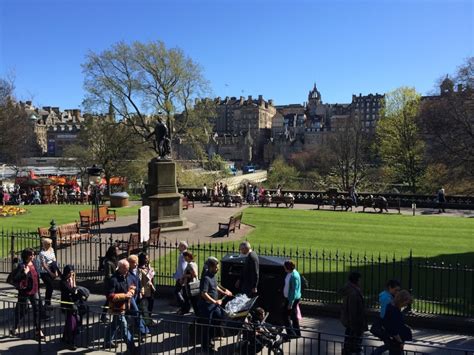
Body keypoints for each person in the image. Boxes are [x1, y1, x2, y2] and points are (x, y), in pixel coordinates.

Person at [198, 257, 233, 353]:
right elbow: (203, 294)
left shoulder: (213, 275)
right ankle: (206, 346)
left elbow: (215, 286)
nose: (218, 269)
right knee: (206, 326)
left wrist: (224, 292)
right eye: (216, 267)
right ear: (211, 267)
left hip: (213, 305)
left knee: (221, 317)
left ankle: (213, 337)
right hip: (207, 306)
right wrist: (215, 301)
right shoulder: (206, 278)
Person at [104, 259, 138, 354]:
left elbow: (132, 285)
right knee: (124, 328)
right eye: (126, 269)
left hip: (125, 306)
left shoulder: (126, 275)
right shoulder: (113, 280)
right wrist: (124, 296)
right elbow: (109, 296)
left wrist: (131, 292)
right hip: (117, 308)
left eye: (128, 269)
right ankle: (132, 349)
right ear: (121, 268)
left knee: (114, 325)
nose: (127, 271)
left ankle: (107, 341)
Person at [10, 248, 45, 339]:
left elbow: (36, 277)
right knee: (21, 310)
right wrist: (24, 273)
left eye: (34, 254)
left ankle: (38, 330)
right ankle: (15, 327)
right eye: (32, 255)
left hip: (34, 291)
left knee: (37, 310)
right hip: (24, 292)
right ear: (27, 256)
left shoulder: (33, 264)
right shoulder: (22, 266)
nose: (33, 256)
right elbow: (16, 278)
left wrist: (38, 289)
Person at [339, 271, 367, 355]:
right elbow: (353, 310)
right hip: (354, 322)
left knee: (349, 339)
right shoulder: (353, 293)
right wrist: (354, 324)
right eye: (359, 280)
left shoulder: (350, 289)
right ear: (357, 280)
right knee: (353, 340)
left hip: (351, 321)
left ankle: (349, 350)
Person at [372, 280, 401, 355]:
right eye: (396, 290)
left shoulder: (388, 296)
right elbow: (385, 315)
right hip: (386, 326)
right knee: (390, 345)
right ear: (390, 288)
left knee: (390, 345)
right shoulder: (387, 299)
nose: (397, 292)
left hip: (386, 325)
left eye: (398, 290)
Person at [382, 290, 413, 355]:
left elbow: (394, 323)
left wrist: (404, 325)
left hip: (395, 338)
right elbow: (393, 328)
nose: (406, 305)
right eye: (406, 303)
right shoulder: (394, 310)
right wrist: (400, 342)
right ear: (401, 300)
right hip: (395, 340)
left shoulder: (392, 306)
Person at [60, 264, 79, 350]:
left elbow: (74, 289)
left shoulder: (70, 280)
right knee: (72, 323)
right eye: (70, 273)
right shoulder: (63, 282)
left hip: (73, 304)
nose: (71, 275)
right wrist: (73, 286)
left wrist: (73, 280)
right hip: (67, 305)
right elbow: (72, 290)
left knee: (70, 322)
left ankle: (65, 337)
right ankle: (72, 342)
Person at [283, 260, 302, 338]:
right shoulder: (291, 273)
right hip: (290, 298)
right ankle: (296, 333)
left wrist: (290, 303)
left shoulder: (293, 276)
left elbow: (294, 291)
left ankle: (291, 333)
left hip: (291, 299)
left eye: (285, 267)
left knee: (285, 315)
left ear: (288, 268)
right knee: (293, 316)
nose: (283, 268)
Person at [38, 237, 58, 308]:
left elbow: (54, 260)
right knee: (50, 286)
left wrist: (55, 271)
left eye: (51, 243)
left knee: (50, 288)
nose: (51, 244)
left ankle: (47, 302)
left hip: (52, 269)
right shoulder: (42, 253)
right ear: (45, 244)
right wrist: (51, 273)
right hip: (44, 272)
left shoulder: (51, 250)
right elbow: (44, 265)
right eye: (49, 243)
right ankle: (47, 303)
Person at [100, 245, 118, 323]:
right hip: (109, 285)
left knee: (110, 301)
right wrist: (117, 273)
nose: (118, 251)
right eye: (117, 250)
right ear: (113, 252)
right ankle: (104, 316)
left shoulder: (115, 260)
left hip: (114, 283)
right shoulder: (108, 262)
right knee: (109, 301)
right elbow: (108, 275)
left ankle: (105, 316)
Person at [138, 253, 157, 326]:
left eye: (147, 258)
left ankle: (149, 318)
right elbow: (140, 280)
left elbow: (152, 276)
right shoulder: (139, 269)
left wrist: (151, 270)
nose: (147, 260)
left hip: (151, 289)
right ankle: (147, 320)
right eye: (146, 258)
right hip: (145, 289)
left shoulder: (148, 267)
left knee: (151, 304)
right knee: (145, 306)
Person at [173, 241, 188, 311]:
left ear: (184, 247)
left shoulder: (182, 255)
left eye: (180, 245)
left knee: (177, 291)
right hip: (182, 277)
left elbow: (183, 267)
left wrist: (181, 278)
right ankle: (185, 306)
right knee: (184, 292)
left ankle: (183, 305)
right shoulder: (185, 254)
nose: (178, 247)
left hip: (180, 277)